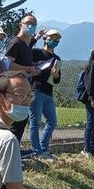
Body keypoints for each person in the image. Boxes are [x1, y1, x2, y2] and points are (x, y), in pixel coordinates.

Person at [3, 13, 43, 154]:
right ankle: (10, 152)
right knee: (14, 122)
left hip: (24, 88)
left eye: (34, 24)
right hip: (13, 89)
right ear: (21, 25)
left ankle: (15, 150)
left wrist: (33, 69)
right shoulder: (15, 43)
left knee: (21, 121)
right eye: (28, 23)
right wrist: (28, 69)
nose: (31, 26)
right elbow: (7, 64)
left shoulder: (26, 45)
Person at [29, 29, 62, 160]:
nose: (54, 41)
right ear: (45, 38)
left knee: (52, 121)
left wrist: (56, 75)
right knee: (34, 122)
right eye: (52, 38)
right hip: (35, 90)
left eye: (57, 40)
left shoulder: (56, 58)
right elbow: (26, 51)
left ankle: (44, 148)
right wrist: (35, 38)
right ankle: (36, 151)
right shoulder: (36, 53)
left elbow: (57, 81)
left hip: (48, 92)